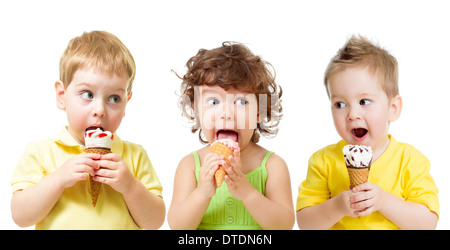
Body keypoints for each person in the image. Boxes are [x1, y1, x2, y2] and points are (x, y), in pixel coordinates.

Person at [11, 31, 165, 229]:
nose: (99, 110)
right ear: (61, 95)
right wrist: (58, 180)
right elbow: (20, 217)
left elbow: (154, 222)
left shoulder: (135, 156)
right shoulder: (40, 153)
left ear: (126, 102)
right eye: (87, 94)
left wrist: (130, 187)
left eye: (114, 98)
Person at [296, 35, 439, 229]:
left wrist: (384, 202)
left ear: (393, 108)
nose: (352, 114)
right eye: (340, 104)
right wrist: (337, 207)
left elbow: (427, 224)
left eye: (364, 102)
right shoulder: (323, 161)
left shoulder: (411, 161)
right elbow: (306, 224)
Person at [168, 42, 294, 229]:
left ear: (259, 110)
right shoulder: (189, 165)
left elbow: (284, 225)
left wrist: (248, 193)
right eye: (213, 101)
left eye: (241, 101)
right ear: (195, 108)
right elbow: (177, 226)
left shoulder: (272, 166)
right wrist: (202, 192)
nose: (226, 113)